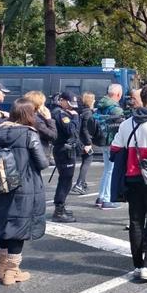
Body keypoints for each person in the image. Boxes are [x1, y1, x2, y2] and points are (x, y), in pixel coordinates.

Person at [109, 85, 147, 280]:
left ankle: (137, 265)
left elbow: (115, 150)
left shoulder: (127, 123)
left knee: (136, 221)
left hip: (131, 178)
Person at [0, 98, 48, 286]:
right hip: (23, 188)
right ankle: (12, 273)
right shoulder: (29, 134)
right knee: (18, 228)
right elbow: (42, 163)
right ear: (29, 115)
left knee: (3, 226)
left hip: (0, 185)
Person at [51, 91, 81, 223]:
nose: (71, 107)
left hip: (65, 149)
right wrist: (75, 118)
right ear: (62, 101)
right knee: (65, 180)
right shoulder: (60, 114)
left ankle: (60, 207)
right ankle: (59, 210)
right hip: (64, 150)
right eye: (69, 104)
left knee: (66, 180)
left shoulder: (63, 112)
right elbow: (70, 130)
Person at [94, 84, 124, 209]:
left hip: (102, 140)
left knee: (107, 170)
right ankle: (106, 199)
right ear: (118, 94)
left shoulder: (101, 105)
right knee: (111, 170)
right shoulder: (115, 109)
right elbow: (122, 126)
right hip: (112, 141)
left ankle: (101, 197)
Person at [23, 90, 57, 167]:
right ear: (38, 105)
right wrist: (49, 119)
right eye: (43, 103)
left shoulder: (24, 116)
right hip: (36, 155)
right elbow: (53, 136)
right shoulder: (37, 121)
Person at [72, 92, 96, 195]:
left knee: (85, 160)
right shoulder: (88, 113)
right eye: (93, 99)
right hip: (84, 141)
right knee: (87, 160)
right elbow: (85, 130)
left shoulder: (80, 111)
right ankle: (80, 183)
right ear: (91, 101)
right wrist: (88, 143)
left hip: (78, 140)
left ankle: (82, 183)